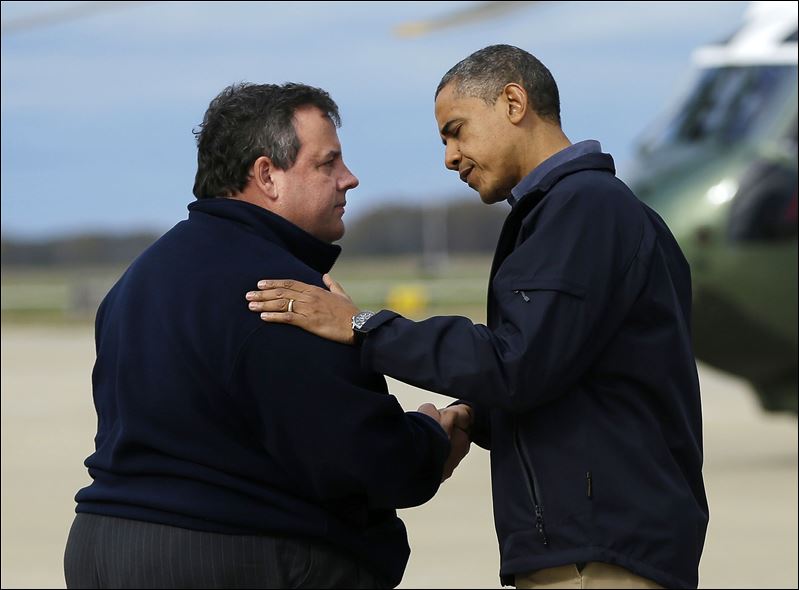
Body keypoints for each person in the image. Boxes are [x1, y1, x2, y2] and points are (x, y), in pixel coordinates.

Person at [245, 45, 710, 589]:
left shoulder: (583, 208)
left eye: (456, 131)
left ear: (513, 102)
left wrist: (361, 325)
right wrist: (475, 414)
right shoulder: (579, 210)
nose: (450, 156)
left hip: (601, 554)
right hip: (599, 546)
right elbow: (565, 367)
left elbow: (518, 363)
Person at [64, 82, 472, 590]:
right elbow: (366, 461)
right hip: (228, 553)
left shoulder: (136, 280)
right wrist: (431, 438)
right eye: (328, 163)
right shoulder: (283, 295)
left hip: (100, 547)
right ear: (266, 175)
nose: (349, 179)